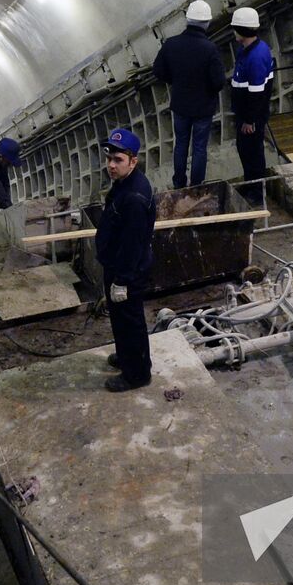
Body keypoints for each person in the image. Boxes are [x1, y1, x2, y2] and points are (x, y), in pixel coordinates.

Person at [95, 128, 157, 393]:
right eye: (109, 158)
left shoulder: (134, 198)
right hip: (117, 265)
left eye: (118, 160)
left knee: (130, 321)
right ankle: (126, 356)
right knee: (120, 319)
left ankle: (137, 375)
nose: (111, 165)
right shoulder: (125, 183)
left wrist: (122, 281)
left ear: (133, 161)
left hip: (127, 271)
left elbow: (132, 245)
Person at [152, 0, 225, 189]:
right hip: (203, 107)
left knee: (181, 144)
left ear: (187, 20)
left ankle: (179, 183)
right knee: (199, 147)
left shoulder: (171, 44)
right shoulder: (210, 49)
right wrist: (207, 89)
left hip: (181, 105)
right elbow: (219, 81)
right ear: (206, 23)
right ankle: (196, 186)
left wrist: (174, 80)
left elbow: (158, 70)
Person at [228, 6, 275, 203]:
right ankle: (250, 185)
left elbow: (256, 94)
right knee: (245, 150)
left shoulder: (255, 57)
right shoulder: (250, 49)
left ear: (241, 30)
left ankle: (256, 193)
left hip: (251, 116)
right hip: (246, 113)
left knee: (252, 153)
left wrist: (249, 121)